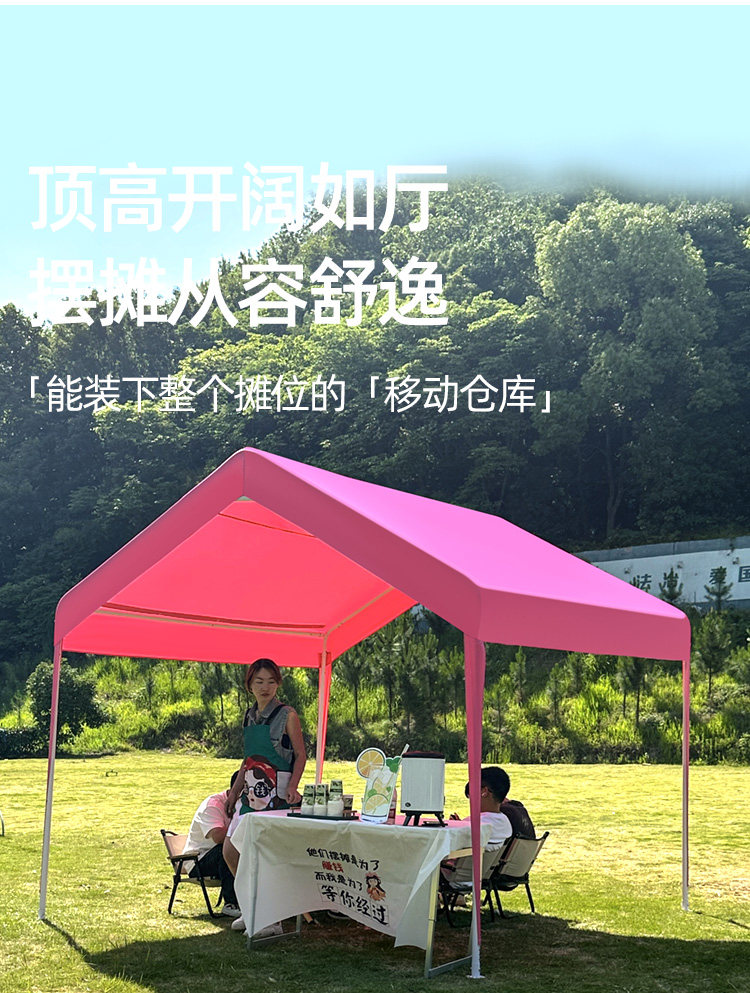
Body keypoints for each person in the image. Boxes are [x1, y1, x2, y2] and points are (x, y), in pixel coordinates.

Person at [222, 657, 307, 937]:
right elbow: (247, 759)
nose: (265, 687)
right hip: (250, 794)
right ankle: (251, 908)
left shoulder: (287, 715)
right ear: (250, 685)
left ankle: (272, 919)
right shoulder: (249, 715)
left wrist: (293, 785)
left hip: (276, 795)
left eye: (271, 681)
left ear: (278, 684)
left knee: (266, 857)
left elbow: (300, 754)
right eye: (259, 681)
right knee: (231, 851)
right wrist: (234, 793)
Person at [182, 772, 241, 917]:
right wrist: (244, 827)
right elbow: (218, 836)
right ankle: (231, 903)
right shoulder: (213, 805)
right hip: (197, 860)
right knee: (227, 849)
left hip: (216, 855)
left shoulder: (245, 806)